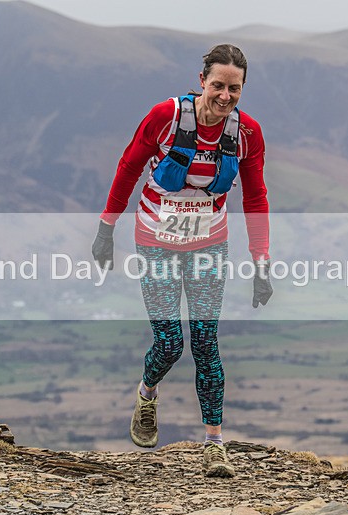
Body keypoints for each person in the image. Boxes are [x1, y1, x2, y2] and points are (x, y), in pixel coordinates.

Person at [92, 44, 272, 477]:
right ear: (201, 81)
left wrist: (261, 261)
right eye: (217, 86)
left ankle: (214, 445)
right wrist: (106, 228)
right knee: (171, 342)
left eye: (235, 88)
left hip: (210, 245)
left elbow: (255, 196)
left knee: (207, 343)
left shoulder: (246, 133)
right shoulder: (165, 118)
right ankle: (147, 394)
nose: (225, 96)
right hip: (156, 242)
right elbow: (128, 168)